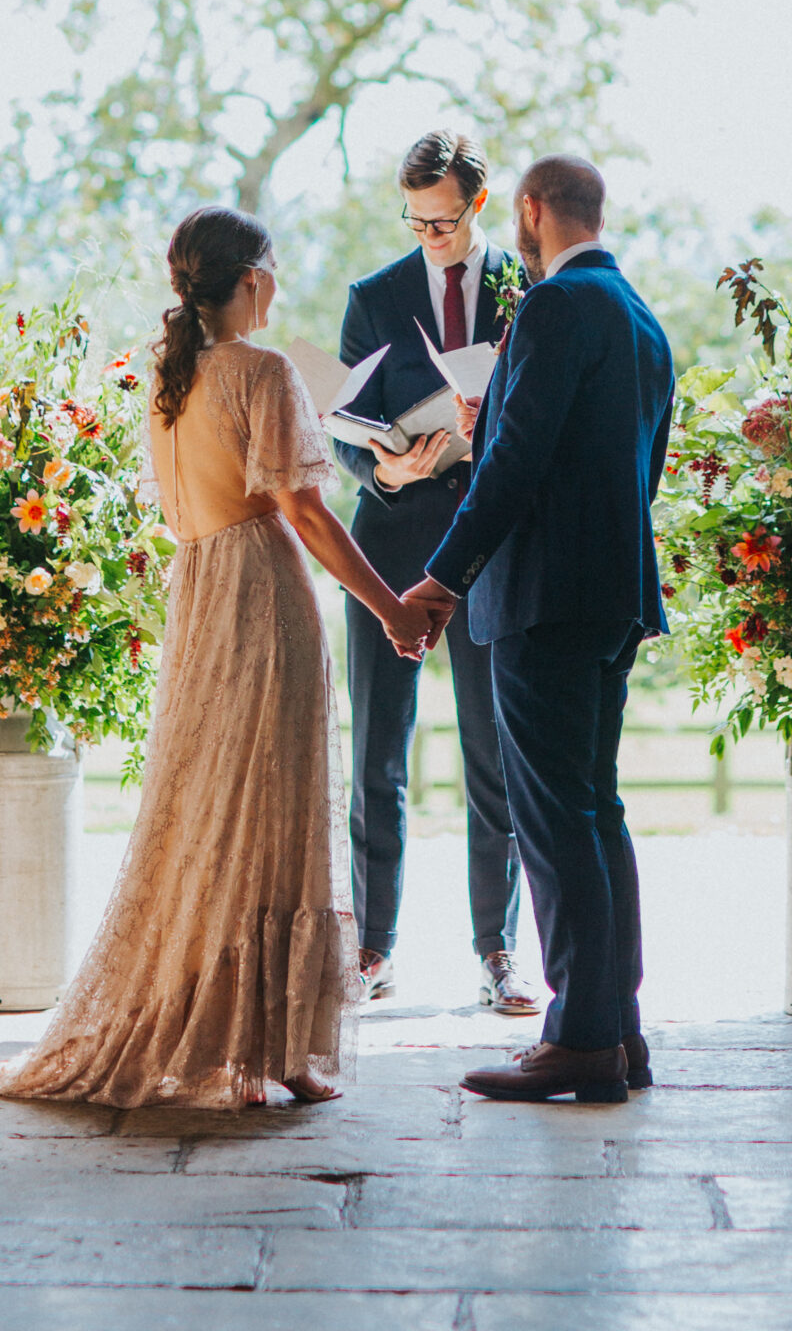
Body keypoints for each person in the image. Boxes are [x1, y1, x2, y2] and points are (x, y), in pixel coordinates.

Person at [0, 205, 432, 1108]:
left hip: (200, 591)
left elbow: (181, 511)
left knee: (211, 802)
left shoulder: (174, 374)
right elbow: (308, 513)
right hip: (261, 594)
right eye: (269, 268)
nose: (276, 284)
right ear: (248, 280)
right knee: (271, 799)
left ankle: (242, 1038)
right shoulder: (263, 371)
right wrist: (391, 607)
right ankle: (265, 1045)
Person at [400, 156, 674, 1106]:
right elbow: (636, 463)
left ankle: (580, 1037)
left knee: (553, 821)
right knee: (595, 810)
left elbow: (514, 467)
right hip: (611, 595)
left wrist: (439, 580)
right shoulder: (640, 316)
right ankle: (617, 1030)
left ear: (527, 212)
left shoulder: (555, 308)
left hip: (542, 596)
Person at [335, 130, 531, 1013]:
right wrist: (382, 469)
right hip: (389, 539)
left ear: (477, 206)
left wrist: (489, 417)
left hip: (492, 541)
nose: (430, 237)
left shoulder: (526, 291)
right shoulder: (371, 296)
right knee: (379, 750)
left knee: (495, 752)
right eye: (415, 224)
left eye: (443, 222)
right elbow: (346, 426)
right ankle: (371, 949)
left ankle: (499, 953)